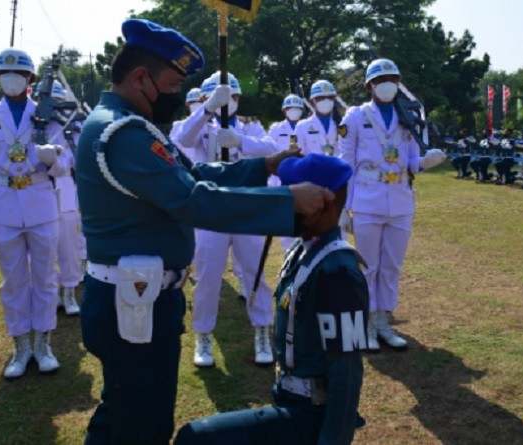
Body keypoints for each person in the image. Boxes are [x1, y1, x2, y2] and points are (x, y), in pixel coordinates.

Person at [75, 18, 332, 444]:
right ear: (140, 78)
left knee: (129, 413)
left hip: (139, 296)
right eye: (173, 84)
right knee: (138, 424)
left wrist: (262, 166)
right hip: (133, 301)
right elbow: (194, 199)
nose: (178, 95)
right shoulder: (123, 132)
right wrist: (286, 200)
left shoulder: (127, 124)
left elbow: (192, 175)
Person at [175, 154, 369, 445]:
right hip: (288, 399)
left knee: (196, 439)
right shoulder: (304, 251)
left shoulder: (337, 271)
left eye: (295, 196)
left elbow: (347, 373)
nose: (285, 203)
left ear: (323, 204)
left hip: (311, 415)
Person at [338, 58, 445, 352]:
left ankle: (384, 321)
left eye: (392, 79)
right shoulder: (355, 117)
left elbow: (411, 160)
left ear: (398, 83)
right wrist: (343, 207)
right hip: (366, 200)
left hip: (400, 201)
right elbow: (345, 163)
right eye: (380, 80)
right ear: (369, 85)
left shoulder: (407, 116)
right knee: (368, 266)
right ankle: (368, 323)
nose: (386, 84)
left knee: (391, 266)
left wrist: (425, 161)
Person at [0, 48, 64, 379]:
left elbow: (66, 167)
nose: (12, 79)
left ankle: (43, 344)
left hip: (41, 203)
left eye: (19, 74)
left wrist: (53, 161)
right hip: (5, 206)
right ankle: (21, 346)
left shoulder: (48, 114)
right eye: (5, 74)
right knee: (13, 281)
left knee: (45, 278)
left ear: (30, 79)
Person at [177, 70, 280, 368]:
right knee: (208, 276)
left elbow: (274, 150)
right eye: (223, 96)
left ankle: (262, 330)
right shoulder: (200, 124)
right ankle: (203, 335)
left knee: (254, 273)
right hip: (212, 209)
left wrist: (241, 141)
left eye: (233, 96)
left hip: (246, 207)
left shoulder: (251, 126)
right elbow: (183, 139)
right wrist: (208, 108)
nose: (229, 101)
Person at [46, 80, 83, 315]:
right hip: (40, 192)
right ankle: (51, 294)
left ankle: (69, 294)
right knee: (42, 249)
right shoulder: (34, 127)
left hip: (66, 191)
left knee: (68, 247)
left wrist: (57, 162)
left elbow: (78, 161)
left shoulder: (73, 127)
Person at [268, 94, 307, 251]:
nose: (294, 111)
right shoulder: (276, 129)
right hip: (280, 181)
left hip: (302, 181)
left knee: (304, 223)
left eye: (297, 108)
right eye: (290, 108)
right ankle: (288, 256)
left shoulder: (306, 127)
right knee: (285, 226)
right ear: (284, 110)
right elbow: (269, 152)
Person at [294, 80, 340, 156]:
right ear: (312, 101)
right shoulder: (301, 127)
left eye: (330, 97)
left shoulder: (343, 124)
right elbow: (296, 155)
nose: (326, 101)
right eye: (321, 98)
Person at [170, 87, 203, 159]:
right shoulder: (178, 126)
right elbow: (173, 149)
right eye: (192, 102)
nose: (196, 104)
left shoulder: (212, 125)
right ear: (187, 104)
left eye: (199, 102)